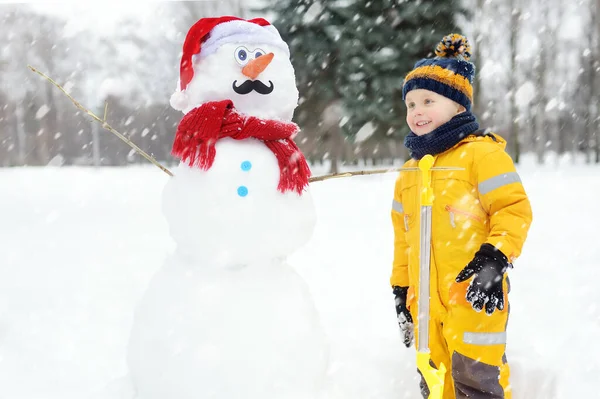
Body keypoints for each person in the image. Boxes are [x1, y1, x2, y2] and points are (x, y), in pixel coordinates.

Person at [390, 33, 532, 399]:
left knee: (476, 380)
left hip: (474, 293)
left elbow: (512, 209)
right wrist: (401, 287)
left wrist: (495, 257)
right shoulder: (410, 171)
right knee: (433, 380)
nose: (416, 111)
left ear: (457, 106)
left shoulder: (481, 156)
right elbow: (403, 239)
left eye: (427, 101)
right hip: (424, 307)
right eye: (410, 104)